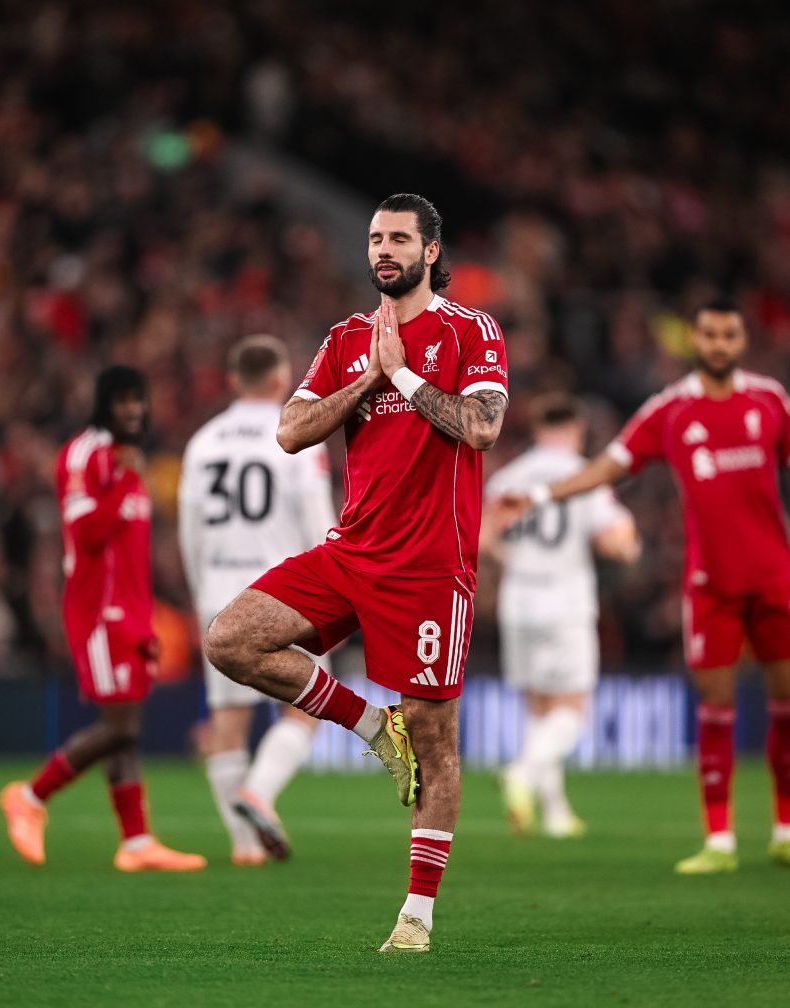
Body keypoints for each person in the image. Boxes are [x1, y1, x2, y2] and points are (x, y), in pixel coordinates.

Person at [203, 193, 509, 951]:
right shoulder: (346, 339)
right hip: (349, 551)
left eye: (399, 238)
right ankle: (373, 727)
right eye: (376, 238)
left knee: (437, 741)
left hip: (431, 568)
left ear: (430, 251)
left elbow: (481, 429)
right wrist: (370, 378)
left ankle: (416, 917)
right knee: (230, 640)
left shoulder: (472, 330)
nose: (383, 249)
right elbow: (289, 431)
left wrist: (404, 378)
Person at [499, 298, 790, 874]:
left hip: (774, 575)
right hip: (710, 584)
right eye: (708, 335)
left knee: (784, 705)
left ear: (741, 339)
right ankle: (720, 840)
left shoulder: (770, 401)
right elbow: (610, 465)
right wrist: (544, 496)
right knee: (715, 708)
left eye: (729, 335)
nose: (718, 345)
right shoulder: (671, 410)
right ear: (694, 339)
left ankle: (784, 827)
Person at [0, 366, 207, 872]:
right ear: (103, 404)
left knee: (128, 727)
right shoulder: (86, 454)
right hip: (98, 612)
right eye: (122, 401)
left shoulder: (129, 460)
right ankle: (30, 795)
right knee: (119, 726)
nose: (134, 409)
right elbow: (86, 532)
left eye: (139, 400)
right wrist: (122, 480)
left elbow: (132, 553)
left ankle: (136, 842)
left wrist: (146, 618)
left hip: (131, 613)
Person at [178, 335, 337, 865]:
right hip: (283, 593)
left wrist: (203, 588)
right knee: (306, 706)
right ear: (278, 381)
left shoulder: (202, 443)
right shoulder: (297, 435)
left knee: (227, 720)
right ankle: (259, 794)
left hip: (216, 590)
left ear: (231, 380)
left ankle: (245, 846)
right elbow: (320, 524)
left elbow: (189, 531)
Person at [481, 393, 640, 837]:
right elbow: (612, 539)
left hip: (519, 601)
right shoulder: (583, 475)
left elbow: (482, 539)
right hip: (566, 601)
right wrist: (629, 547)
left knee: (539, 706)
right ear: (576, 430)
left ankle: (555, 813)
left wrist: (512, 557)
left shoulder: (509, 477)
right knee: (573, 708)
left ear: (536, 430)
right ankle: (522, 773)